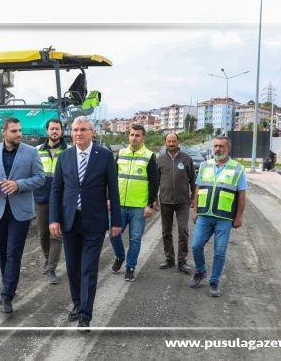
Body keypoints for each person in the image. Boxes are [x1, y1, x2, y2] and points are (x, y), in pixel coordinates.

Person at [49, 116, 121, 330]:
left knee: (88, 268)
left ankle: (85, 316)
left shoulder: (105, 156)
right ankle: (77, 304)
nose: (78, 133)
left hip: (95, 222)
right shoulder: (64, 157)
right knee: (72, 267)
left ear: (92, 132)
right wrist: (53, 218)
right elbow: (56, 190)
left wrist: (115, 220)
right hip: (70, 221)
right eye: (75, 130)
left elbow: (114, 191)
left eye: (83, 129)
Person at [0, 117, 45, 314]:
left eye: (20, 130)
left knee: (13, 253)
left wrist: (19, 185)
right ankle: (8, 286)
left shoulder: (31, 152)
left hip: (20, 212)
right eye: (14, 131)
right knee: (2, 253)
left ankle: (8, 294)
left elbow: (40, 178)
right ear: (4, 132)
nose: (19, 134)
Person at [189, 136, 248, 297]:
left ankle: (214, 282)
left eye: (221, 146)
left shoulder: (237, 169)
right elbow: (198, 188)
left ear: (228, 148)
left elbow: (241, 195)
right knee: (196, 245)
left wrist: (238, 217)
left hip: (224, 217)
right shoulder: (204, 165)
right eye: (215, 146)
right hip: (204, 215)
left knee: (219, 251)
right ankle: (200, 271)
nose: (217, 149)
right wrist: (195, 210)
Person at [109, 123, 158, 281]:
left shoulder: (149, 156)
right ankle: (120, 256)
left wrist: (149, 204)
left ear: (143, 138)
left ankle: (130, 266)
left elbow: (154, 182)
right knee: (113, 234)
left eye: (137, 135)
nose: (134, 138)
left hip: (138, 206)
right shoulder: (121, 153)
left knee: (135, 238)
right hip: (120, 205)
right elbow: (112, 179)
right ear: (128, 136)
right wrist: (110, 198)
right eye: (132, 135)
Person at [34, 119, 68, 284]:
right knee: (43, 234)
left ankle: (51, 269)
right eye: (52, 128)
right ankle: (48, 260)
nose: (55, 131)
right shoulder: (36, 151)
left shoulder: (69, 151)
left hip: (61, 200)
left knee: (56, 235)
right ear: (47, 131)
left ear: (61, 131)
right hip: (41, 199)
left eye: (58, 129)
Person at [156, 132, 196, 274]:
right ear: (165, 143)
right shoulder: (160, 160)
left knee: (183, 231)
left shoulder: (187, 159)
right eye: (169, 141)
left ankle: (182, 261)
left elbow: (193, 180)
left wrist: (193, 198)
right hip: (165, 201)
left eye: (174, 141)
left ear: (178, 142)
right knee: (166, 232)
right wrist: (154, 199)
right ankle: (169, 259)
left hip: (183, 202)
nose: (171, 144)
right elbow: (156, 182)